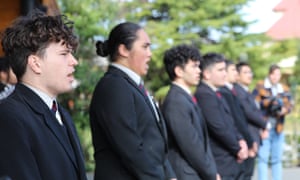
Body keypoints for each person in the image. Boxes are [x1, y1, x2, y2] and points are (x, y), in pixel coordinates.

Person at [0, 10, 87, 180]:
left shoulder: (61, 113)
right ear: (35, 63)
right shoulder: (9, 117)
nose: (74, 61)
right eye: (64, 54)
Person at [89, 22, 176, 180]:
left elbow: (155, 140)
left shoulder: (133, 86)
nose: (150, 54)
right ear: (123, 50)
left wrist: (169, 175)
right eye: (145, 47)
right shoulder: (113, 86)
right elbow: (131, 148)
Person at [161, 44, 220, 180]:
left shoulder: (184, 97)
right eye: (194, 66)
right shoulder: (176, 101)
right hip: (187, 174)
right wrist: (211, 174)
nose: (199, 71)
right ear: (179, 71)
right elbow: (191, 146)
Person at [194, 53, 247, 180]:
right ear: (206, 74)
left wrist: (241, 139)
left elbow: (230, 121)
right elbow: (217, 126)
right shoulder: (204, 94)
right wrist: (237, 148)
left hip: (230, 157)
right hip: (221, 160)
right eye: (220, 70)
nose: (225, 74)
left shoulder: (217, 92)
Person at [253, 64, 292, 180]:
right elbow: (253, 104)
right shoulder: (261, 86)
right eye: (274, 74)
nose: (276, 77)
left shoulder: (284, 89)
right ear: (269, 74)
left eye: (278, 74)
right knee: (263, 159)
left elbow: (290, 105)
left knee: (277, 159)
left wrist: (283, 110)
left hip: (278, 127)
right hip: (265, 127)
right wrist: (269, 103)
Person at [235, 62, 270, 180]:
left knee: (248, 173)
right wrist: (266, 125)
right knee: (244, 174)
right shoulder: (238, 92)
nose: (249, 75)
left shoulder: (246, 91)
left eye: (250, 72)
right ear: (237, 75)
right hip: (246, 138)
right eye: (245, 72)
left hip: (253, 136)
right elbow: (249, 113)